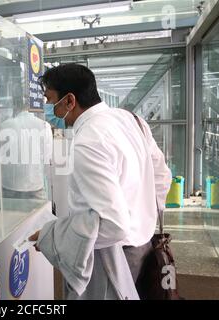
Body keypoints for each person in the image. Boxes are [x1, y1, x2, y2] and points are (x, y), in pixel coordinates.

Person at [29, 64, 172, 300]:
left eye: (50, 99)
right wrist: (143, 214)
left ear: (69, 101)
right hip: (145, 243)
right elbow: (162, 175)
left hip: (114, 255)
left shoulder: (88, 142)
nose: (48, 107)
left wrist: (54, 238)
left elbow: (113, 225)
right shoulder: (131, 119)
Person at [0, 90, 52, 200]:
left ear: (14, 105)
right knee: (38, 216)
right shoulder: (44, 126)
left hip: (9, 187)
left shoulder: (5, 125)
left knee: (11, 217)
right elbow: (48, 158)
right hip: (35, 186)